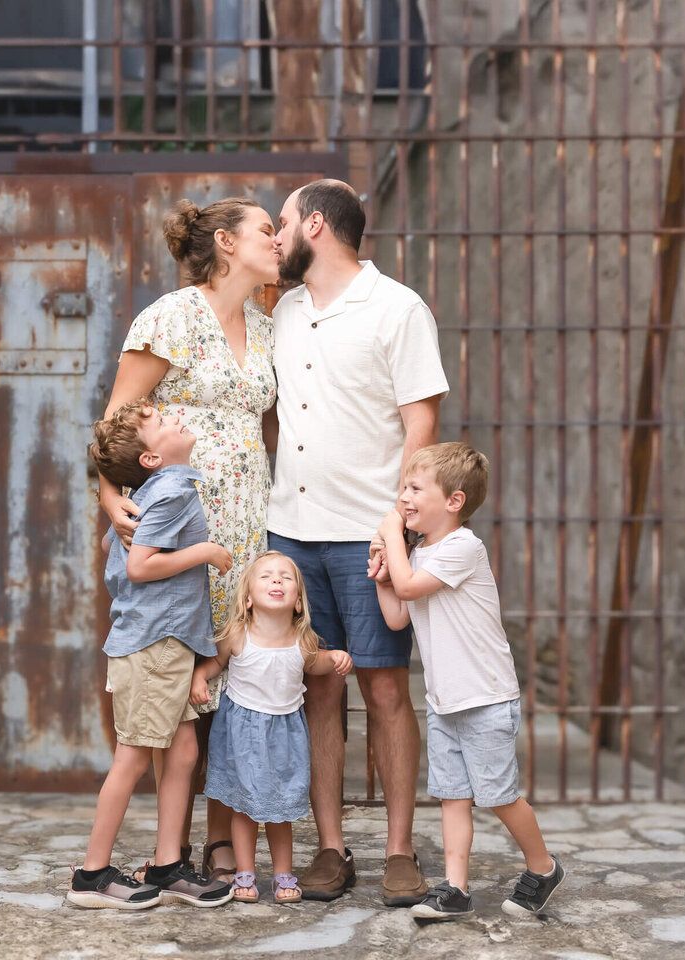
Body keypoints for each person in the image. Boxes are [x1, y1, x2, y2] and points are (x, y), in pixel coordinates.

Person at [267, 179, 448, 905]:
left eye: (282, 222)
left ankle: (400, 851)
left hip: (367, 536)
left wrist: (396, 523)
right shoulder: (282, 310)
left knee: (383, 688)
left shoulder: (398, 308)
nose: (275, 237)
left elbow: (422, 425)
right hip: (291, 531)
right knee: (317, 689)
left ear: (316, 222)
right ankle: (331, 848)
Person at [98, 197, 280, 883]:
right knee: (172, 690)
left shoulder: (264, 325)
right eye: (268, 229)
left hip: (243, 527)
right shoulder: (170, 317)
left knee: (224, 682)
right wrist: (112, 499)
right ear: (227, 243)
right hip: (177, 531)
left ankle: (212, 843)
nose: (278, 238)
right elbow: (115, 424)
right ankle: (164, 851)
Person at [371, 442, 566, 919]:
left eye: (416, 488)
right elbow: (399, 615)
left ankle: (543, 868)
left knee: (498, 796)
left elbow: (413, 588)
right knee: (452, 796)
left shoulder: (462, 546)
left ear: (453, 502)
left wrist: (391, 537)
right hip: (445, 700)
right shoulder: (416, 555)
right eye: (403, 489)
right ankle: (454, 890)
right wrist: (383, 575)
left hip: (484, 698)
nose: (404, 498)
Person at [67, 399, 235, 910]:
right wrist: (205, 552)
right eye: (162, 422)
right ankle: (92, 875)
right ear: (151, 459)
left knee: (182, 752)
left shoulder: (155, 490)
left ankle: (166, 866)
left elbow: (109, 550)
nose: (176, 417)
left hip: (168, 644)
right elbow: (139, 566)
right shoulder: (172, 491)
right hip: (154, 646)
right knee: (134, 756)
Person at [190, 552, 353, 904]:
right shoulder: (237, 634)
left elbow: (316, 664)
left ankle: (283, 874)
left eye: (285, 577)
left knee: (280, 811)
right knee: (244, 808)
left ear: (297, 602)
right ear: (247, 599)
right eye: (265, 576)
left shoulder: (303, 640)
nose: (276, 581)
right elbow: (215, 662)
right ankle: (245, 873)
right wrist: (199, 678)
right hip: (242, 733)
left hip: (284, 734)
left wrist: (335, 658)